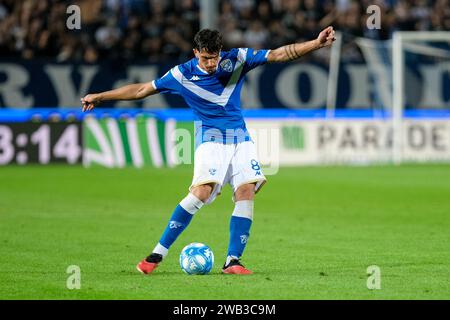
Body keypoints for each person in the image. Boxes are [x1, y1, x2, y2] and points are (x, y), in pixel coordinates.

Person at [81, 26, 336, 275]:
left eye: (214, 57)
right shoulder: (181, 75)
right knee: (202, 192)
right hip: (210, 140)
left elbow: (278, 54)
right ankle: (157, 253)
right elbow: (140, 90)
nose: (211, 63)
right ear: (195, 52)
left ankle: (233, 261)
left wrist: (316, 43)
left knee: (247, 191)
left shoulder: (237, 59)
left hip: (241, 138)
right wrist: (100, 97)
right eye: (205, 58)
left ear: (220, 51)